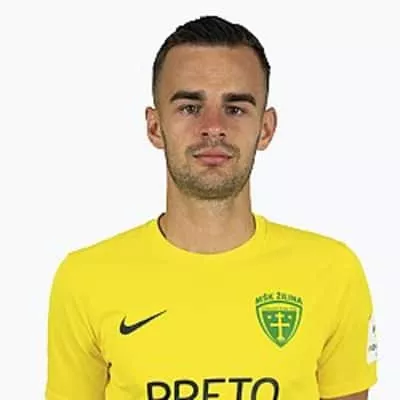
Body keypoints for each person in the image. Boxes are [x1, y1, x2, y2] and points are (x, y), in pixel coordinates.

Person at [46, 15, 378, 400]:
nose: (213, 126)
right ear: (155, 126)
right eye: (190, 107)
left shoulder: (333, 273)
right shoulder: (85, 280)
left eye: (235, 108)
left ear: (265, 128)